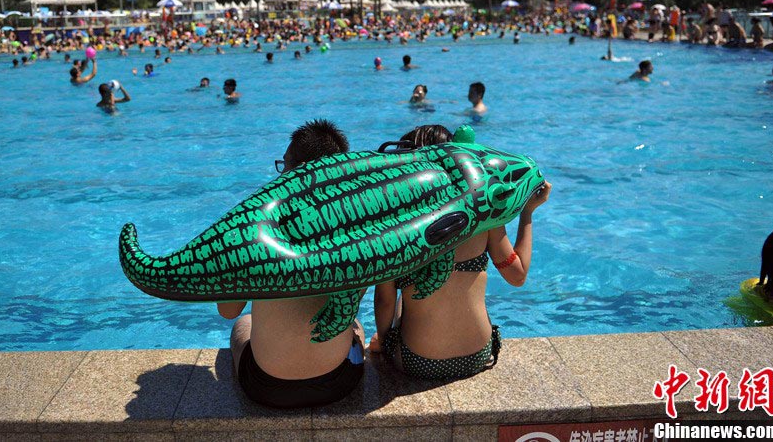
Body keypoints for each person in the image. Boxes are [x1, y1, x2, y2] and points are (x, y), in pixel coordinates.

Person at [369, 124, 552, 379]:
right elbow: (517, 276)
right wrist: (527, 213)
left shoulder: (400, 222)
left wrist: (383, 341)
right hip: (479, 354)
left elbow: (384, 301)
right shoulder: (484, 215)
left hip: (417, 360)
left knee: (402, 299)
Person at [219, 119, 365, 408]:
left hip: (268, 387)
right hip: (341, 381)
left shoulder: (257, 227)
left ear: (298, 171)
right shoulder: (358, 224)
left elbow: (227, 310)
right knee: (355, 324)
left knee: (242, 325)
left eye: (285, 164)